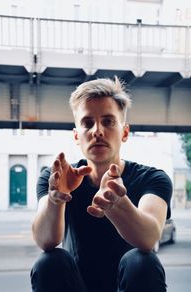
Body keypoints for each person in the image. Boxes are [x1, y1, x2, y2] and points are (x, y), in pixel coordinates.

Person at [31, 77, 172, 292]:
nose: (97, 131)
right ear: (77, 136)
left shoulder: (152, 179)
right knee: (49, 262)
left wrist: (117, 204)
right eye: (87, 123)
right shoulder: (58, 178)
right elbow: (45, 241)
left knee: (142, 261)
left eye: (108, 121)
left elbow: (149, 237)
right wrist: (54, 199)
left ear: (124, 132)